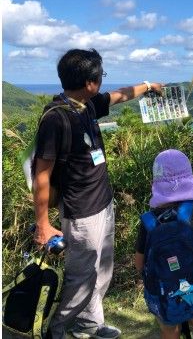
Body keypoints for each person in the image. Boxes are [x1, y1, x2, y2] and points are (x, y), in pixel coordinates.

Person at [32, 48, 164, 339]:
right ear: (89, 83)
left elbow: (119, 95)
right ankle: (54, 331)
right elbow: (41, 174)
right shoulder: (58, 118)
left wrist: (148, 87)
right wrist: (42, 223)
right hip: (80, 211)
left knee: (102, 271)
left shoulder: (86, 104)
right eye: (100, 76)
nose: (102, 82)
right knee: (81, 277)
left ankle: (88, 323)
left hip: (102, 203)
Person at [134, 149, 193, 339]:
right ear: (189, 178)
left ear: (155, 184)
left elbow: (139, 264)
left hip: (163, 292)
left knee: (169, 330)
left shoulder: (149, 221)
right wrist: (191, 178)